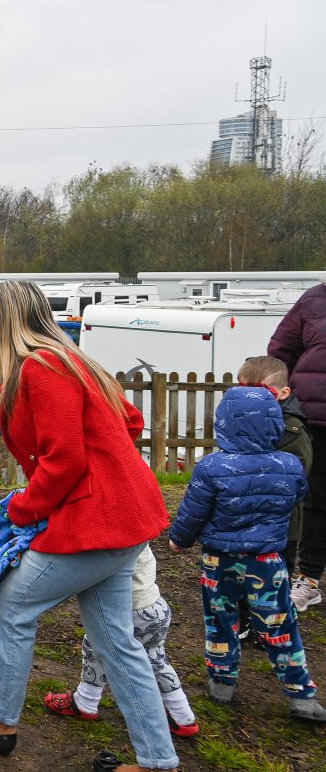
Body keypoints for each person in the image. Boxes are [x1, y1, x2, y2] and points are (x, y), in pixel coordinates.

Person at [0, 280, 177, 772]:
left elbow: (64, 459)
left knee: (10, 605)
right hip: (125, 519)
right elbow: (129, 422)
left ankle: (0, 721)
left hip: (96, 523)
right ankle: (158, 761)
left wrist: (26, 507)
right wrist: (106, 467)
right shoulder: (74, 360)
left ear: (1, 322)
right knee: (115, 641)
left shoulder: (40, 368)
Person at [168, 384, 326, 722]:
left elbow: (193, 511)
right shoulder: (289, 464)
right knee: (280, 622)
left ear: (223, 423)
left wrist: (179, 539)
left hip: (218, 560)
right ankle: (301, 696)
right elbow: (297, 496)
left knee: (221, 620)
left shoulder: (211, 468)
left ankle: (222, 682)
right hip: (268, 561)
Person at [42, 543, 199, 738]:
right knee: (155, 658)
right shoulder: (138, 532)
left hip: (128, 611)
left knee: (95, 647)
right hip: (155, 608)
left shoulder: (113, 540)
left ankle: (85, 702)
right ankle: (182, 716)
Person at [233, 355, 312, 637]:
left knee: (276, 578)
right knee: (241, 571)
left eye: (262, 390)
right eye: (245, 389)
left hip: (281, 521)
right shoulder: (236, 422)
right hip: (244, 516)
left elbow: (296, 473)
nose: (253, 397)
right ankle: (244, 621)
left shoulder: (291, 428)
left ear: (283, 393)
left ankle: (272, 626)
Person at [269, 283, 326, 611]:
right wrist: (281, 396)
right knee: (316, 499)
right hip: (316, 416)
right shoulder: (315, 298)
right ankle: (310, 577)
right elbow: (281, 350)